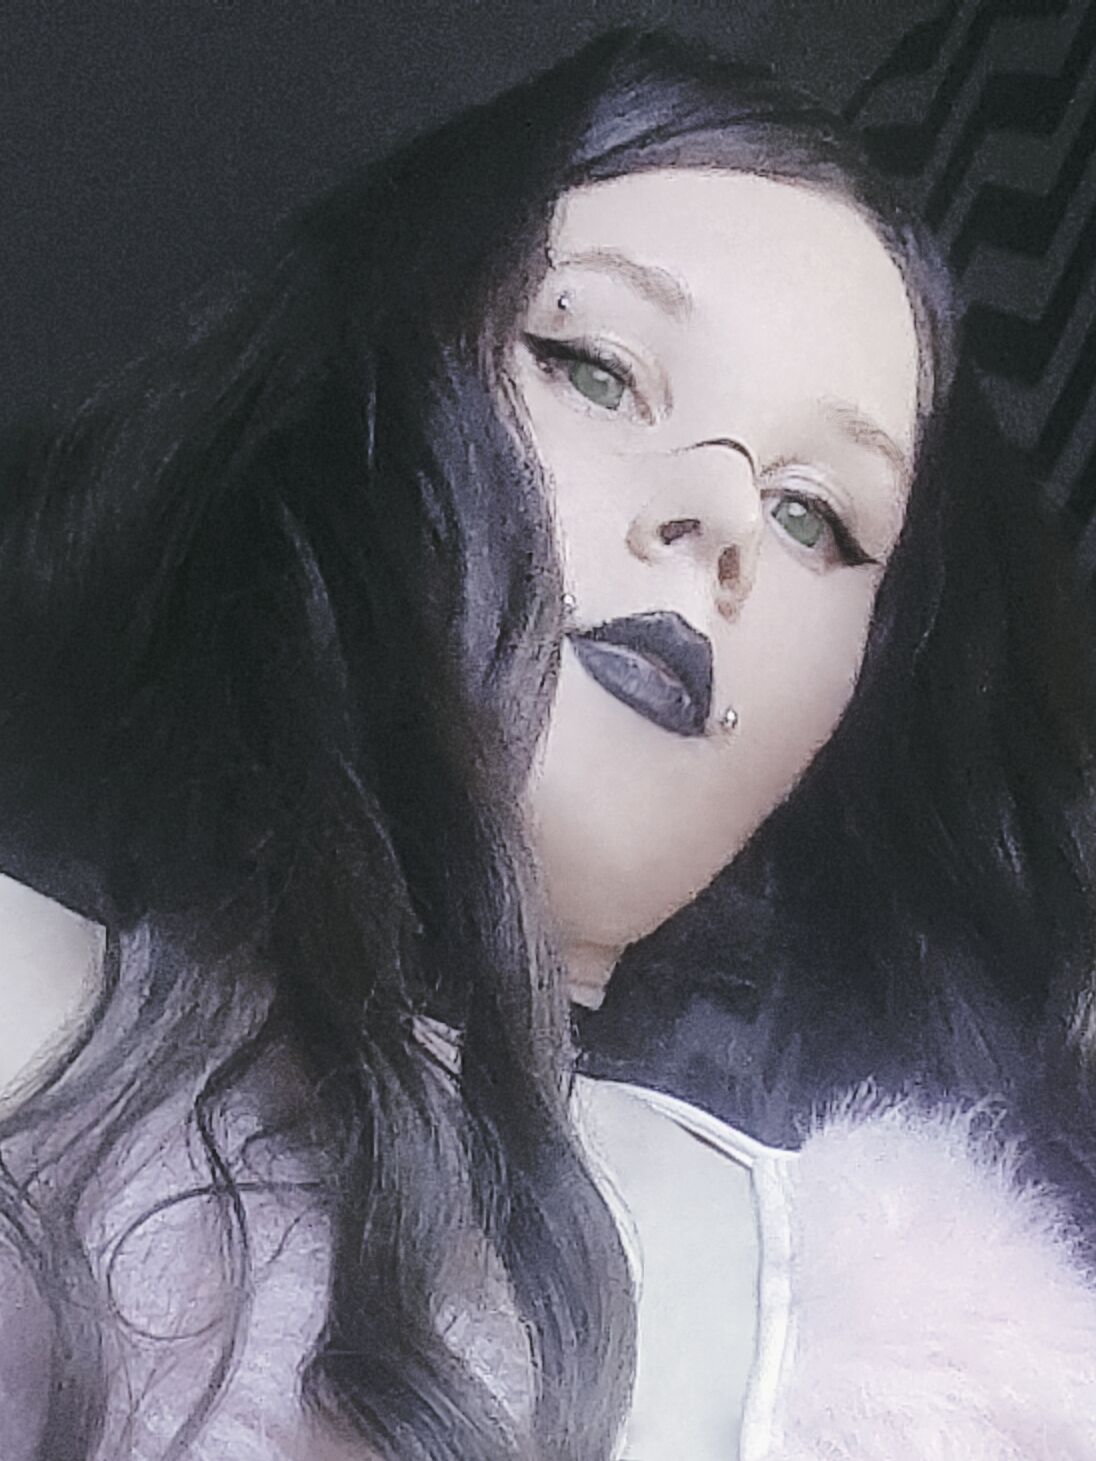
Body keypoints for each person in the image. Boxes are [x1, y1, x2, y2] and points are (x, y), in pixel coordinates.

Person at [0, 23, 1095, 1461]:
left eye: (815, 516)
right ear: (363, 402)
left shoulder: (950, 1361)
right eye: (596, 368)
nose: (722, 517)